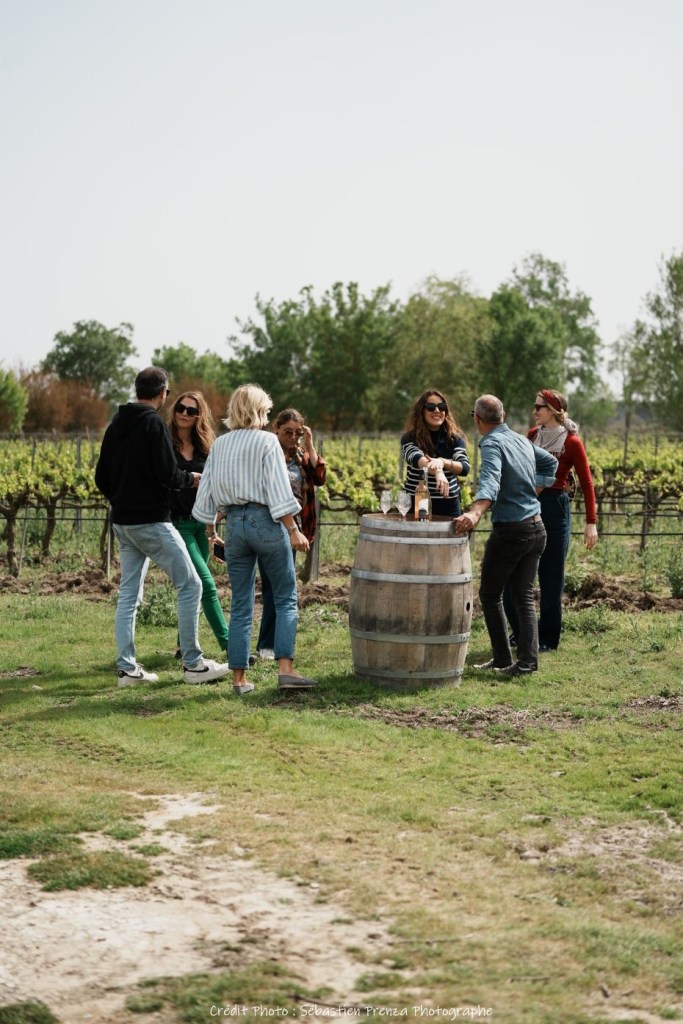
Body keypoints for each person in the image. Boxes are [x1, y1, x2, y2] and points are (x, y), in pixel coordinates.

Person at [95, 366, 230, 688]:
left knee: (129, 594)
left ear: (137, 389)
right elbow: (168, 473)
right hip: (152, 521)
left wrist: (122, 499)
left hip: (123, 522)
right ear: (164, 393)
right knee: (192, 584)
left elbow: (101, 477)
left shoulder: (116, 424)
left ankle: (128, 670)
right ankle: (194, 664)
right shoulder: (153, 423)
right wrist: (191, 479)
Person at [192, 384, 318, 693]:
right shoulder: (267, 441)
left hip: (234, 524)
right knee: (285, 596)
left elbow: (207, 490)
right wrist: (293, 529)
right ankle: (286, 671)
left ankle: (239, 679)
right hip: (266, 521)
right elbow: (277, 488)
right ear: (259, 410)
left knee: (241, 603)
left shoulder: (220, 444)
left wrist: (211, 532)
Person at [454, 394, 558, 676]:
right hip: (537, 527)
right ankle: (526, 663)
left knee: (490, 594)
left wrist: (475, 512)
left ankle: (503, 659)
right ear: (503, 416)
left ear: (477, 419)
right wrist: (535, 490)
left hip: (512, 531)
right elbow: (550, 463)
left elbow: (491, 479)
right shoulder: (521, 439)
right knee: (523, 596)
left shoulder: (492, 443)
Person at [505, 389, 598, 652]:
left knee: (551, 576)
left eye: (539, 407)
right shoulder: (532, 436)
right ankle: (522, 632)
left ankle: (547, 639)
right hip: (529, 505)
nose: (534, 411)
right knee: (515, 574)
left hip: (555, 508)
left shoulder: (572, 441)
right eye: (534, 406)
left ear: (555, 411)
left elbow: (587, 483)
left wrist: (591, 522)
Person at [255, 408, 327, 659]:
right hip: (268, 526)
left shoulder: (300, 455)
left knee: (283, 587)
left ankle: (275, 644)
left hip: (294, 529)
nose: (293, 437)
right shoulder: (266, 453)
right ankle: (266, 645)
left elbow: (320, 477)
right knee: (271, 587)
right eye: (288, 432)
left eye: (298, 433)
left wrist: (310, 444)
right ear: (276, 428)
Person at [167, 390, 231, 662]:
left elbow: (216, 484)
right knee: (205, 584)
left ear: (199, 415)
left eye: (191, 410)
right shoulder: (164, 442)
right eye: (180, 408)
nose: (184, 413)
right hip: (177, 524)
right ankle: (230, 646)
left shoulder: (207, 447)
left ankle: (183, 645)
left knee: (192, 586)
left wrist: (214, 524)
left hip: (202, 524)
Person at [401, 389, 469, 516]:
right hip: (416, 504)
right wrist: (438, 471)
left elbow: (464, 467)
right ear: (421, 411)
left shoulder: (455, 438)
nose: (437, 410)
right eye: (431, 407)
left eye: (441, 407)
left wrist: (443, 462)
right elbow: (418, 459)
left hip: (448, 506)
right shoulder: (410, 438)